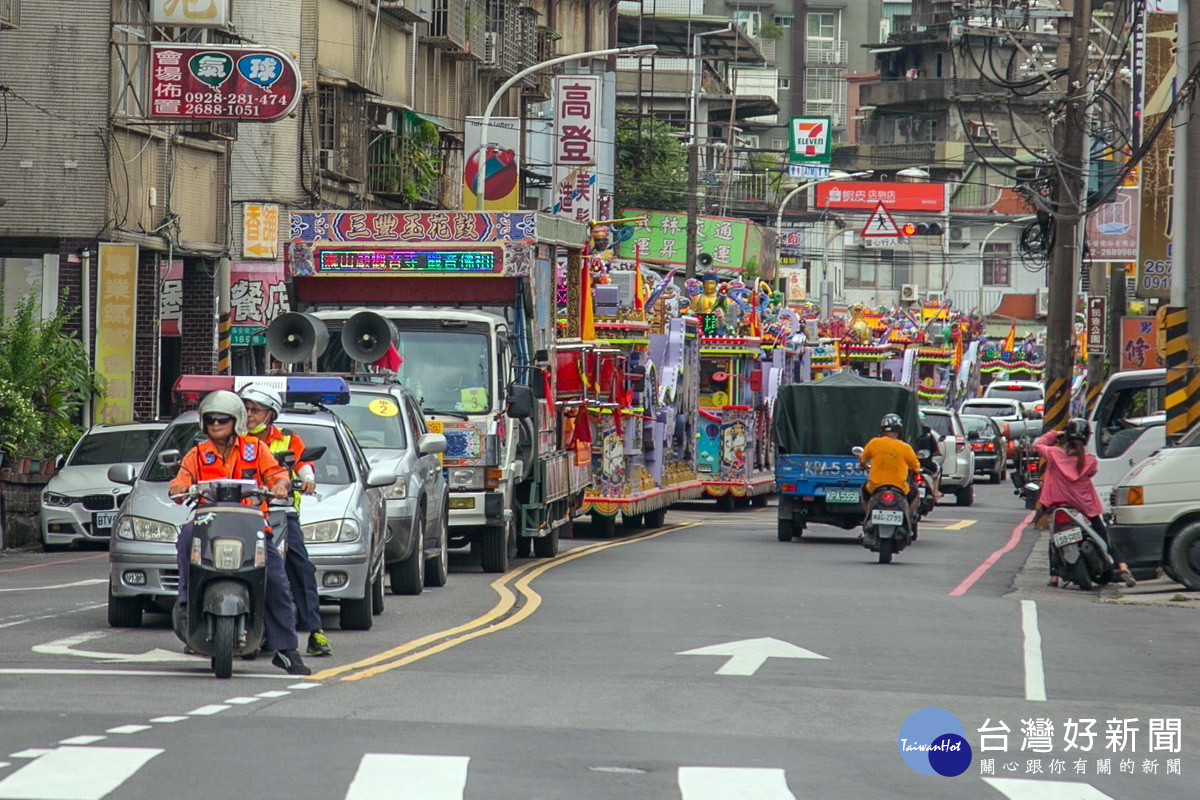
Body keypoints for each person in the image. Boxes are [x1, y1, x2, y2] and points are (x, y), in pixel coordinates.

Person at [168, 389, 311, 676]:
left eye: (222, 419)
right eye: (210, 420)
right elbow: (179, 482)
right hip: (209, 525)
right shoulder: (197, 454)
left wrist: (281, 485)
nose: (216, 424)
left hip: (253, 525)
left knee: (277, 581)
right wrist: (179, 488)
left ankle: (286, 650)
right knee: (185, 538)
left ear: (237, 420)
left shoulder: (256, 449)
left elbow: (277, 475)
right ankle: (186, 603)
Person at [240, 384, 333, 658]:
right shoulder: (232, 438)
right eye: (245, 408)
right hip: (242, 513)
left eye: (255, 410)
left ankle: (315, 631)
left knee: (300, 567)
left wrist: (307, 480)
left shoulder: (288, 439)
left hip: (281, 512)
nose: (249, 414)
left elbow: (304, 463)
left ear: (270, 414)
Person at [1035, 418, 1136, 588]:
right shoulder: (1090, 461)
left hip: (1057, 506)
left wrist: (1055, 434)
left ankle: (1054, 577)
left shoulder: (1054, 454)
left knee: (1054, 539)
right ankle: (1123, 567)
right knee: (1104, 537)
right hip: (1084, 507)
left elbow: (1038, 445)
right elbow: (1090, 472)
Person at [859, 413, 921, 515]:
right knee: (916, 493)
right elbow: (916, 468)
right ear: (899, 430)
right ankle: (907, 517)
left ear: (883, 429)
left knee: (864, 491)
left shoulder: (874, 443)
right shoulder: (906, 447)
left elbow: (862, 460)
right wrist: (916, 470)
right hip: (900, 488)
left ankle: (868, 516)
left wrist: (864, 466)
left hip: (875, 486)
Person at [914, 412, 944, 502]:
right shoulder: (929, 435)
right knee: (938, 469)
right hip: (927, 465)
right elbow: (937, 451)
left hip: (911, 465)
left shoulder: (908, 433)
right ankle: (935, 492)